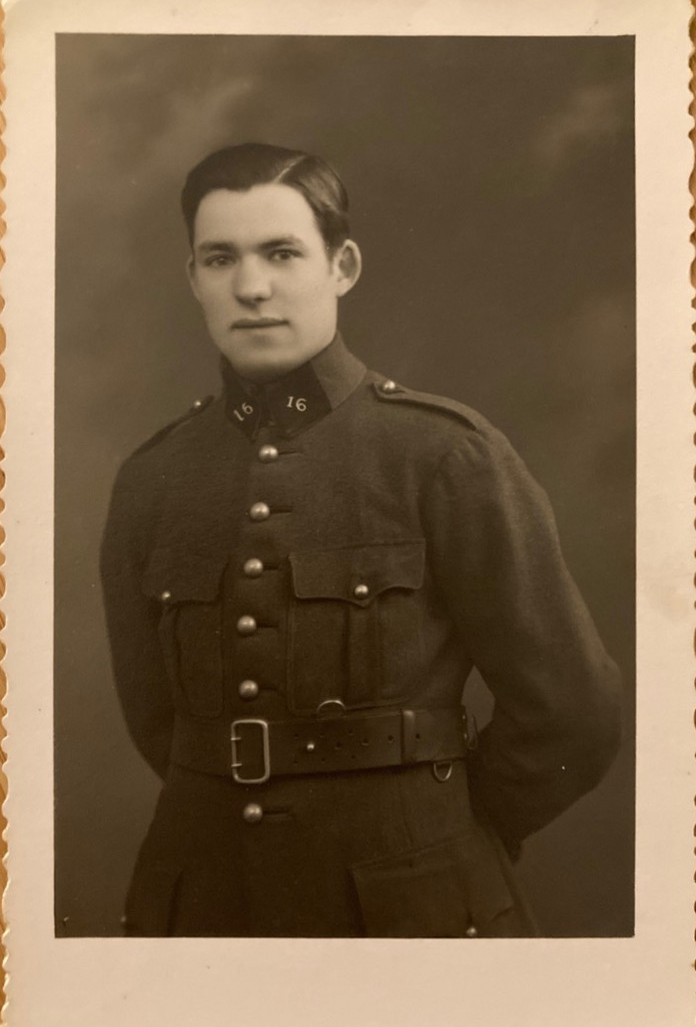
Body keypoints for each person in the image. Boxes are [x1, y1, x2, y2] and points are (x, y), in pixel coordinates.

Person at [100, 142, 622, 938]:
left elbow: (571, 715)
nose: (251, 286)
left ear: (341, 265)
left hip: (409, 913)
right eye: (221, 257)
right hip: (201, 916)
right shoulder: (152, 479)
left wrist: (440, 829)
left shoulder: (445, 456)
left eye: (282, 253)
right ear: (193, 278)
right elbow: (159, 726)